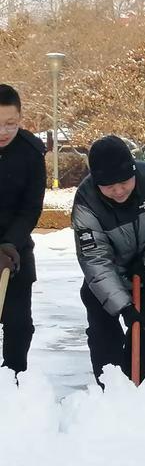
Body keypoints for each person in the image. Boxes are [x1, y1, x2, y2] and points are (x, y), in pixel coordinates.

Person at [71, 135, 145, 386]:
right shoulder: (86, 201)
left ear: (133, 171)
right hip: (106, 280)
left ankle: (129, 392)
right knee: (104, 339)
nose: (119, 191)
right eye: (109, 186)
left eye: (124, 182)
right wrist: (123, 306)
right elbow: (94, 258)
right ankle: (109, 392)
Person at [0, 84, 46, 377]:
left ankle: (13, 379)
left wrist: (10, 245)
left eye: (10, 124)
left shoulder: (30, 152)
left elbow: (31, 207)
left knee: (18, 323)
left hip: (14, 251)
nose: (4, 131)